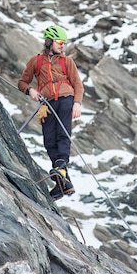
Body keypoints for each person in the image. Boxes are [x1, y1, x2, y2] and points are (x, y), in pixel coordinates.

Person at [18, 25, 84, 200]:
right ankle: (64, 183)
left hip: (65, 99)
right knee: (49, 141)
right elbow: (22, 82)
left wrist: (76, 103)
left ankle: (61, 169)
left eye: (64, 43)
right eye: (60, 42)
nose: (63, 45)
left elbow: (78, 84)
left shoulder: (66, 61)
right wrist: (30, 91)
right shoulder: (36, 61)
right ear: (49, 42)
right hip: (46, 104)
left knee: (63, 135)